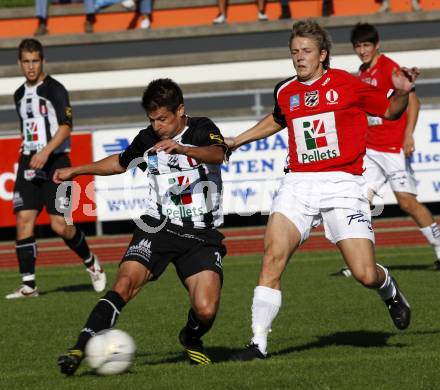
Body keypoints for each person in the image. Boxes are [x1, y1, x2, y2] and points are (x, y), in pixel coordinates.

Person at [226, 20, 418, 361]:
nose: (299, 58)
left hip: (343, 183)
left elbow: (390, 110)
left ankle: (387, 287)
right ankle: (258, 343)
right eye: (295, 52)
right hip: (297, 183)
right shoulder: (286, 91)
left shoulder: (348, 84)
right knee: (272, 257)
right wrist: (238, 140)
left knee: (363, 272)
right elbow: (278, 118)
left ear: (323, 55)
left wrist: (402, 91)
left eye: (307, 51)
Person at [56, 78, 228, 375]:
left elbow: (218, 153)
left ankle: (191, 337)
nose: (157, 126)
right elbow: (120, 163)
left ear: (180, 111)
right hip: (157, 226)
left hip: (201, 233)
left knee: (206, 309)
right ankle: (79, 347)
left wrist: (183, 149)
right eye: (152, 120)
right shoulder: (146, 138)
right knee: (124, 283)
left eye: (163, 119)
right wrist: (77, 170)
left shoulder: (201, 128)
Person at [6, 39, 106, 299]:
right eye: (26, 61)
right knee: (23, 220)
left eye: (35, 61)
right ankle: (29, 286)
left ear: (43, 61)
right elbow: (26, 128)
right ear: (19, 63)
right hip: (29, 161)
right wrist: (30, 151)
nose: (30, 66)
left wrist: (46, 151)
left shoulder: (55, 89)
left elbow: (65, 126)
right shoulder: (18, 94)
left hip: (56, 161)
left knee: (60, 225)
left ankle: (91, 261)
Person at [348, 23, 440, 270]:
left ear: (376, 45)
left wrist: (408, 135)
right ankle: (360, 261)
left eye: (366, 45)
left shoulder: (390, 68)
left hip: (392, 149)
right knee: (359, 202)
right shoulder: (363, 71)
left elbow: (414, 102)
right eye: (358, 46)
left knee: (407, 203)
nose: (362, 50)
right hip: (371, 150)